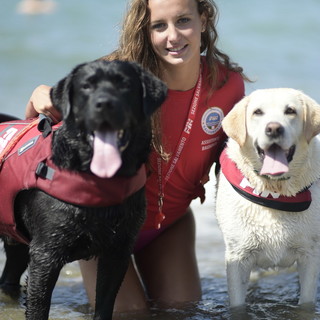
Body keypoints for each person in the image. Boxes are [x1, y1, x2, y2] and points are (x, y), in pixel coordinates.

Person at [25, 0, 247, 315]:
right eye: (159, 26)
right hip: (102, 226)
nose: (173, 36)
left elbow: (238, 161)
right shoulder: (119, 81)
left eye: (183, 20)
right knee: (130, 315)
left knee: (181, 310)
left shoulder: (227, 85)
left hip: (168, 226)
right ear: (145, 29)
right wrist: (38, 94)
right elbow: (45, 134)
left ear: (204, 17)